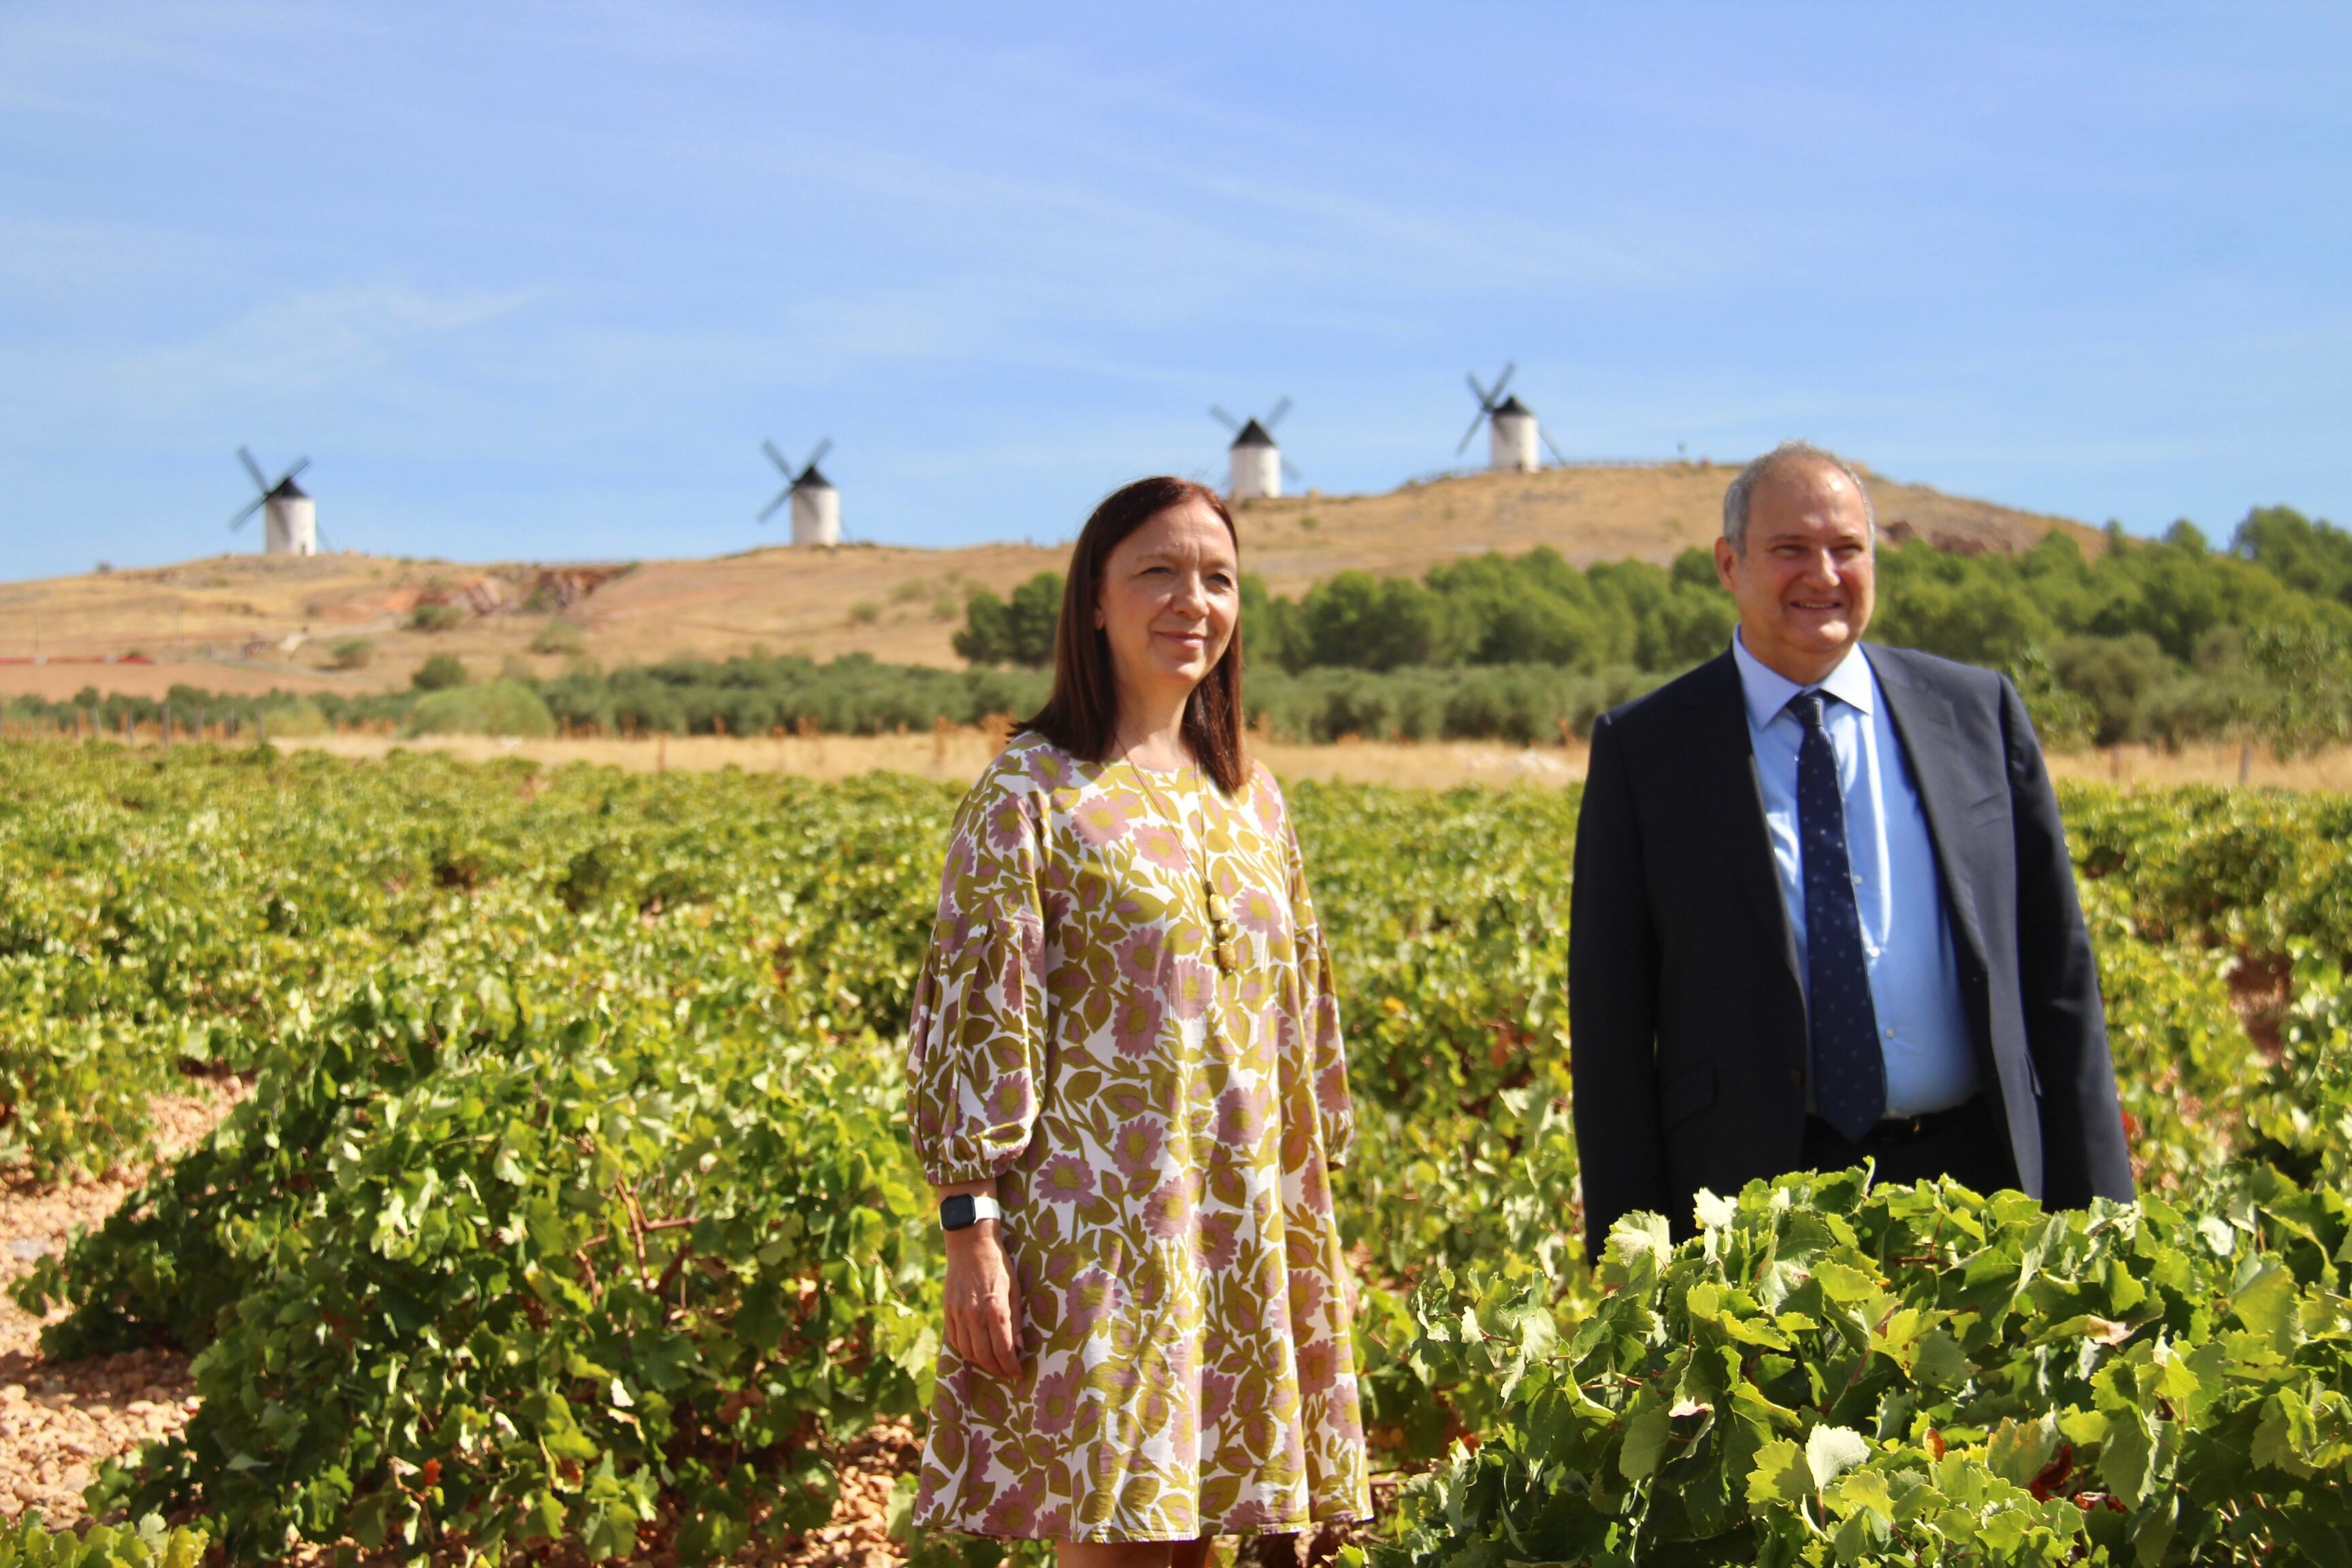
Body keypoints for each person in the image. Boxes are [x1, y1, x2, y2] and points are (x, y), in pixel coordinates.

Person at [903, 476, 1369, 1565]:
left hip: (1243, 1227)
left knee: (1207, 1542)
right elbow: (976, 1022)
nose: (1190, 600)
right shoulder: (1030, 789)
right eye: (1157, 571)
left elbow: (1302, 1025)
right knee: (1115, 1541)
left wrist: (1312, 1226)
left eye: (1217, 578)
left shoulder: (1253, 799)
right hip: (1097, 1241)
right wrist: (968, 1230)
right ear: (1096, 603)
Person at [1569, 441, 2134, 1263]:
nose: (1823, 575)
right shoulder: (1647, 748)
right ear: (1730, 564)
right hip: (1754, 1206)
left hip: (1982, 1189)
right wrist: (1631, 1256)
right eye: (1790, 549)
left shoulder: (1977, 713)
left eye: (1847, 549)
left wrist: (2105, 1220)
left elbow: (2059, 979)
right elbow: (1612, 1027)